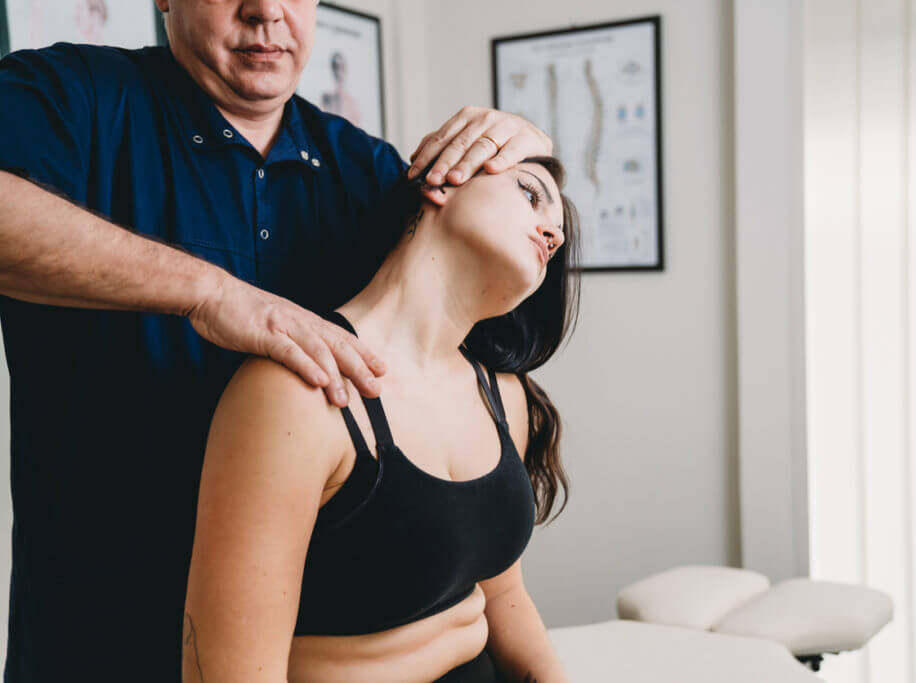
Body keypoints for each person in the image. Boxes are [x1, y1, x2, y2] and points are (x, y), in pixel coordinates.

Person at [0, 0, 553, 679]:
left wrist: (525, 149)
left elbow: (480, 291)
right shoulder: (71, 96)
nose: (266, 10)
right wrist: (210, 292)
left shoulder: (365, 173)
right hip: (95, 637)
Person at [182, 154, 579, 682]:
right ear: (444, 182)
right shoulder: (294, 395)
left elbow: (505, 600)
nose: (551, 233)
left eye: (558, 235)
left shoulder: (504, 397)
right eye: (531, 194)